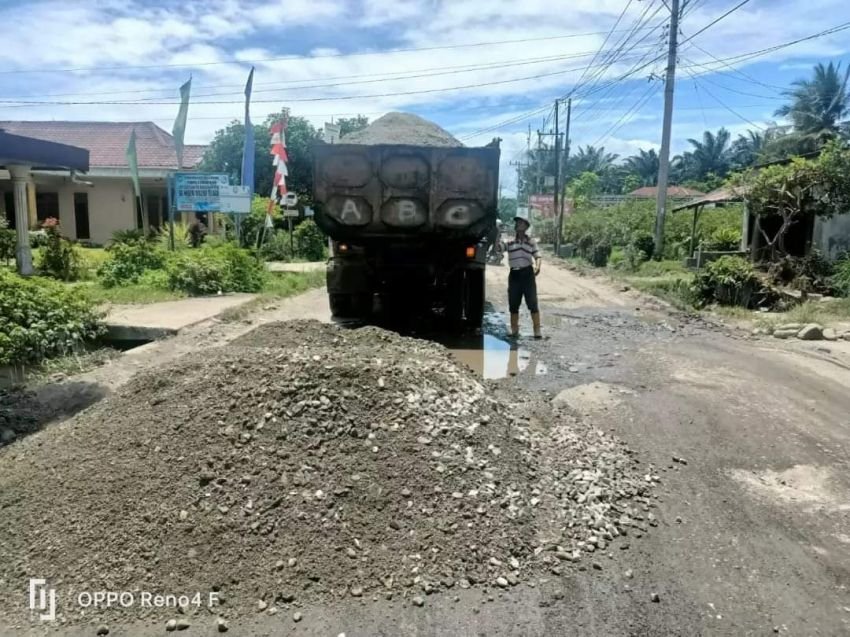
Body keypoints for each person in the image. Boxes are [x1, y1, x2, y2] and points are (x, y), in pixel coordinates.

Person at [506, 215, 542, 339]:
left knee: (532, 302)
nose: (518, 225)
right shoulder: (509, 241)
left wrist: (538, 267)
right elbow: (498, 249)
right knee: (513, 303)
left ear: (526, 226)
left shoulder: (531, 241)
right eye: (517, 223)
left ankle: (537, 330)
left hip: (528, 274)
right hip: (514, 275)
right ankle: (514, 329)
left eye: (521, 223)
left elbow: (537, 255)